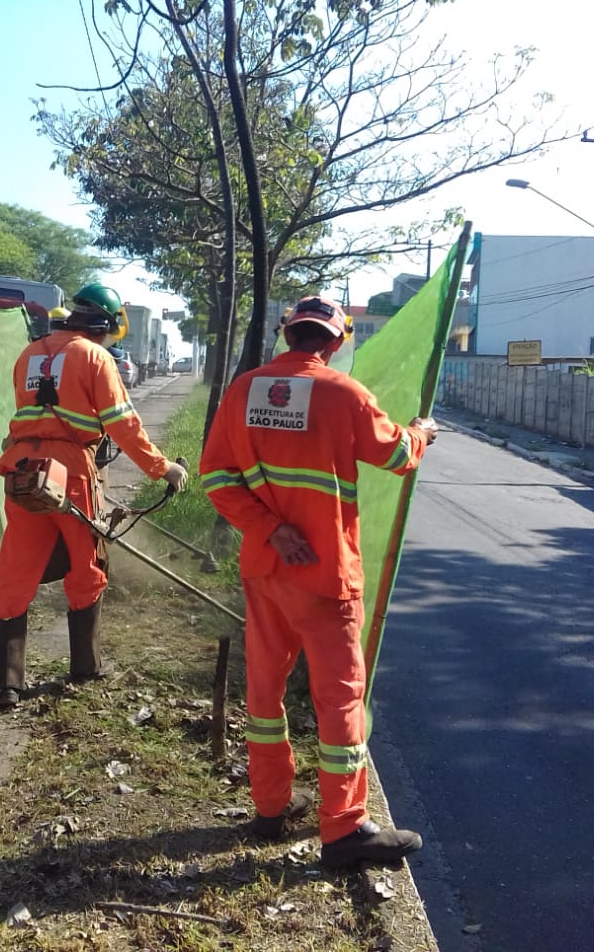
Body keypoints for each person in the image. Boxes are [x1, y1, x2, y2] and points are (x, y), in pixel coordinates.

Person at [199, 295, 438, 869]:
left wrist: (270, 528)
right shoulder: (343, 393)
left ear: (288, 335)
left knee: (264, 691)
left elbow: (215, 477)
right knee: (339, 701)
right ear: (335, 341)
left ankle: (271, 806)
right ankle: (345, 829)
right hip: (326, 577)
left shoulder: (244, 391)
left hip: (264, 568)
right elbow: (399, 454)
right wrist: (423, 429)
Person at [0, 282, 188, 709]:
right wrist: (163, 468)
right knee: (88, 564)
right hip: (72, 473)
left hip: (24, 472)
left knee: (16, 570)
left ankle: (7, 683)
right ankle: (85, 666)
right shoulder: (94, 356)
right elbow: (122, 423)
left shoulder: (30, 353)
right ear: (107, 324)